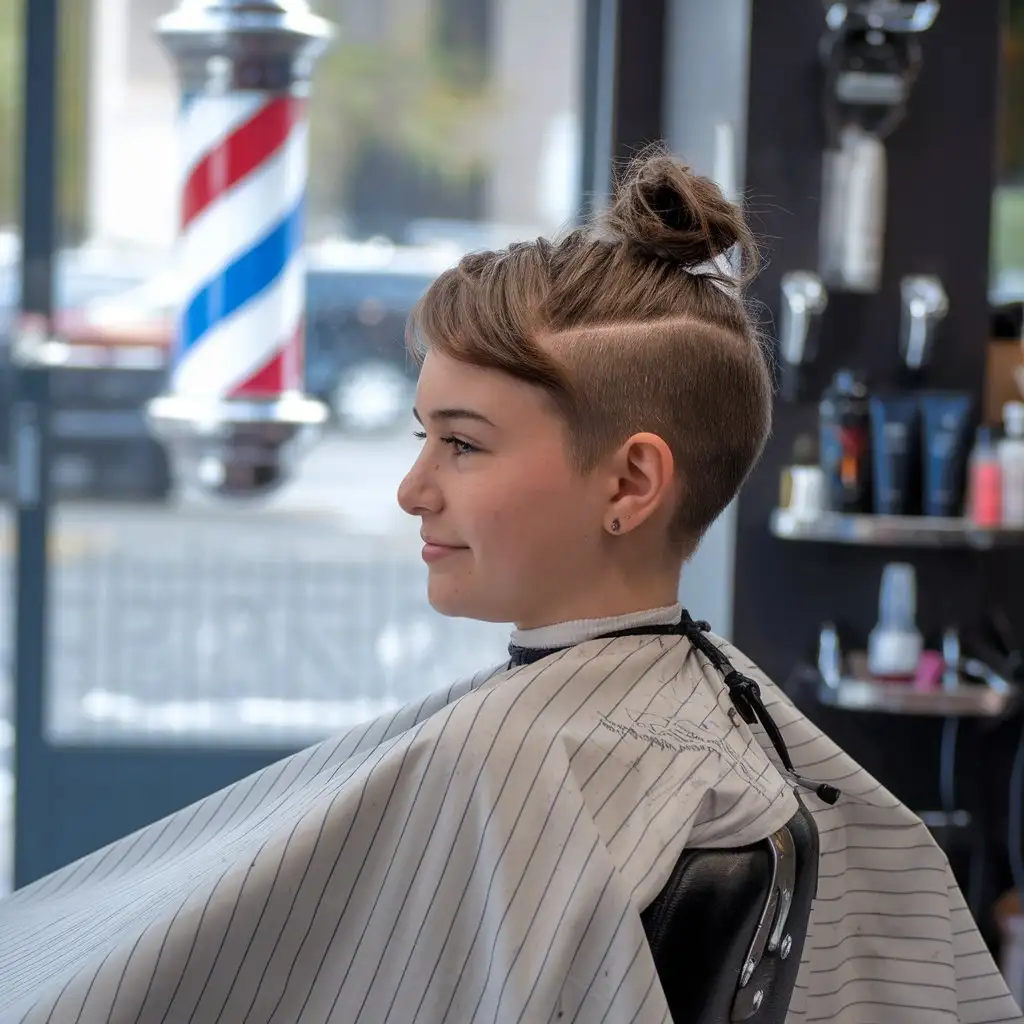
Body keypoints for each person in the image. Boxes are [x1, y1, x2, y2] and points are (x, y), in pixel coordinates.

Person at [0, 150, 1019, 1024]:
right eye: (420, 437)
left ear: (629, 483)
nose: (411, 488)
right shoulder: (727, 724)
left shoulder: (509, 759)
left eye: (461, 444)